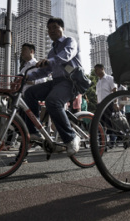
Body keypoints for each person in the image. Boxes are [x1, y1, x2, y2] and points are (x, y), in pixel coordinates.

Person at [24, 18, 82, 156]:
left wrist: (49, 61)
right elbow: (45, 71)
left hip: (71, 82)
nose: (52, 31)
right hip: (56, 82)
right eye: (49, 29)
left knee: (52, 101)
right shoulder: (51, 52)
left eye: (55, 27)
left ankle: (71, 137)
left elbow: (66, 55)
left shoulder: (70, 42)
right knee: (29, 93)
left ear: (62, 28)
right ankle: (34, 132)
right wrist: (27, 77)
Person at [95, 63, 118, 148]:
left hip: (109, 104)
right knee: (100, 124)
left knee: (109, 123)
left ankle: (112, 142)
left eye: (97, 69)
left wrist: (115, 103)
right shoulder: (98, 82)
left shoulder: (109, 78)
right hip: (100, 105)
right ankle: (102, 143)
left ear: (102, 68)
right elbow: (97, 95)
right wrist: (97, 105)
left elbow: (114, 90)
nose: (95, 72)